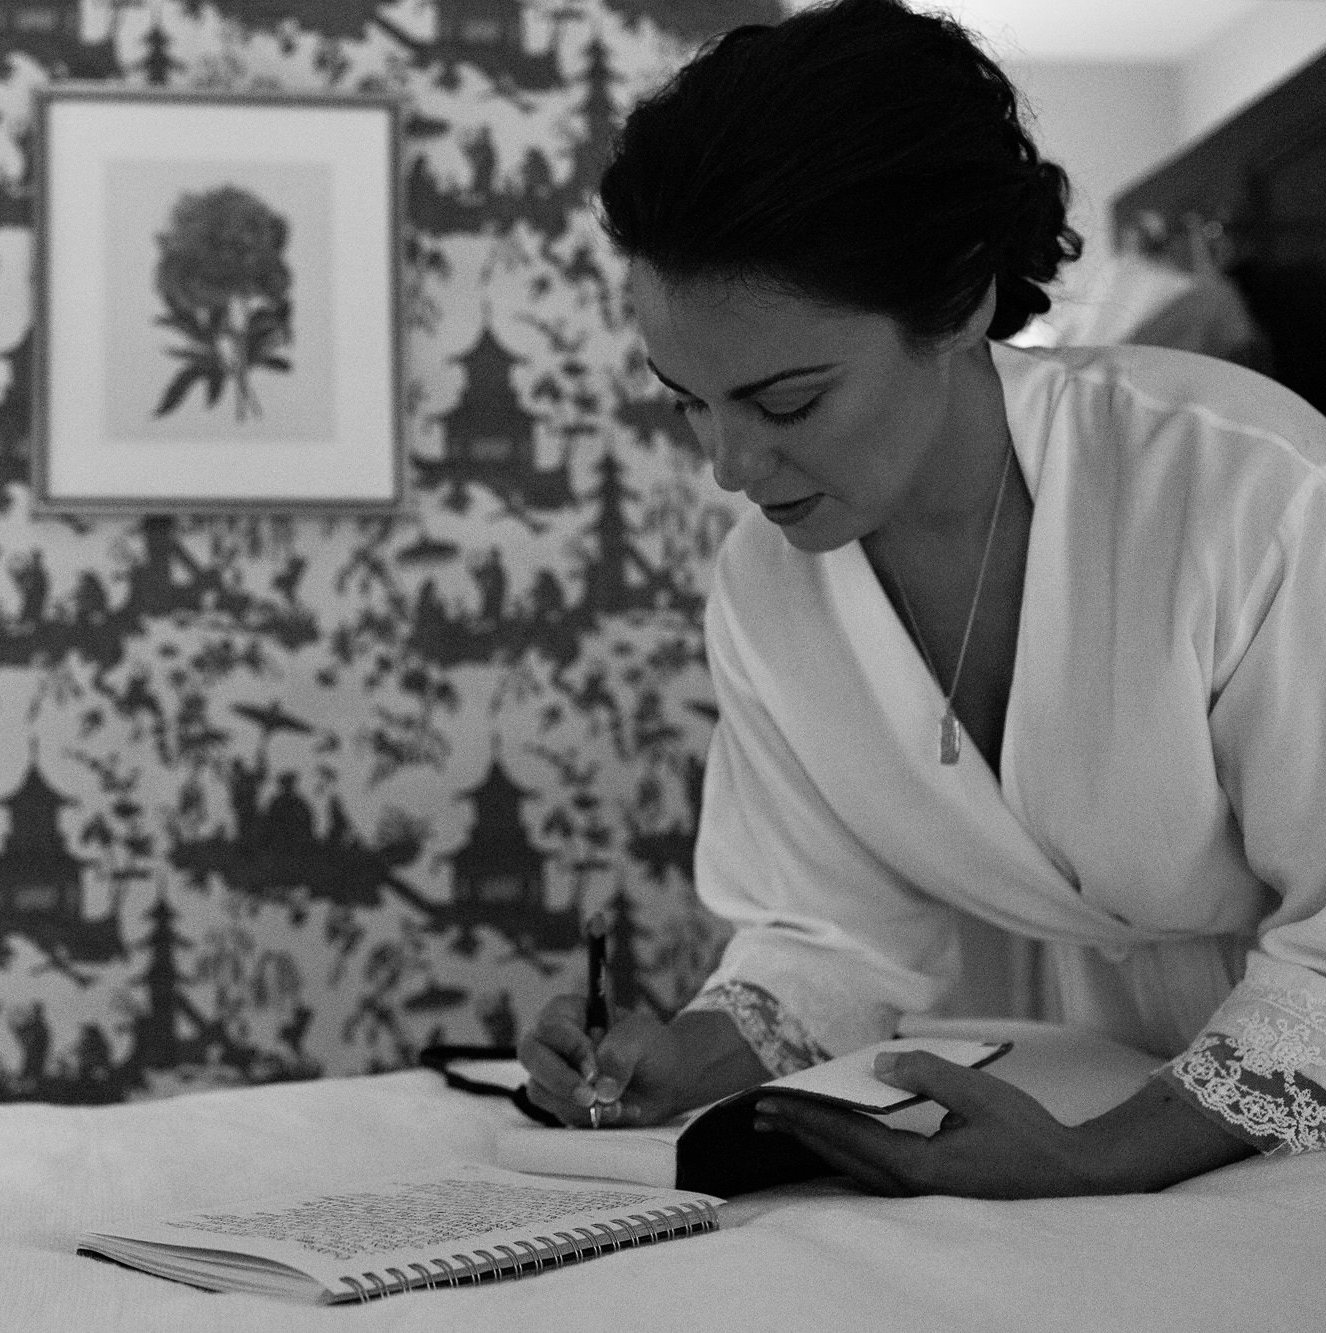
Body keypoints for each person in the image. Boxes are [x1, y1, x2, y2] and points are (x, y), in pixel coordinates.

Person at [519, 0, 1326, 1197]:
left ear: (952, 303)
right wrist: (678, 1054)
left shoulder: (1241, 487)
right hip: (1067, 1089)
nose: (728, 468)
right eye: (684, 400)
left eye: (785, 404)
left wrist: (1102, 1156)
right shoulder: (766, 588)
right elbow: (828, 933)